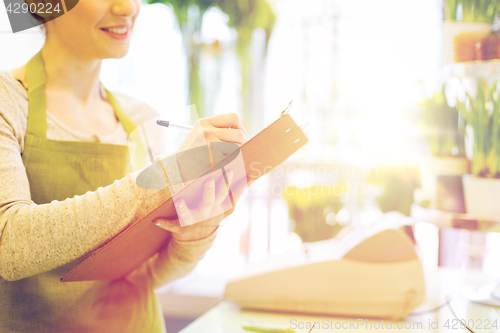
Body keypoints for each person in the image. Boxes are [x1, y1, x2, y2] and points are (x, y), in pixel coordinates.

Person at [0, 0, 248, 332]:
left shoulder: (143, 119)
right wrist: (167, 175)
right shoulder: (8, 101)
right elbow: (13, 247)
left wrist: (196, 231)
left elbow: (147, 274)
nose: (128, 7)